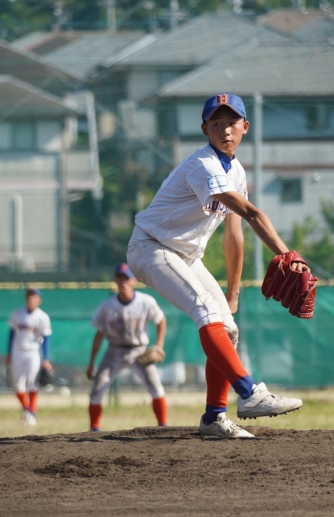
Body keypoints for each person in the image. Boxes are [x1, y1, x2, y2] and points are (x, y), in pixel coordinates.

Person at [127, 92, 305, 439]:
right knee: (205, 310)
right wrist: (287, 254)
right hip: (152, 247)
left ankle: (213, 418)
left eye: (232, 122)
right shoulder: (203, 165)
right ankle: (250, 393)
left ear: (245, 127)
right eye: (216, 123)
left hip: (185, 256)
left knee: (228, 329)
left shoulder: (236, 171)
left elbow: (234, 235)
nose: (225, 130)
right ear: (205, 129)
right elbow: (252, 214)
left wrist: (234, 290)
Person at [86, 263, 168, 431]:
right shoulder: (107, 306)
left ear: (134, 281)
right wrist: (91, 363)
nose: (123, 282)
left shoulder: (145, 301)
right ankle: (94, 430)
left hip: (139, 351)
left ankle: (163, 427)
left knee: (156, 387)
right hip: (114, 351)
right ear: (115, 280)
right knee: (97, 389)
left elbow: (161, 320)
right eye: (120, 278)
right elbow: (99, 335)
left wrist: (159, 345)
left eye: (127, 278)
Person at [6, 287, 53, 426]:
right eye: (29, 295)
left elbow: (47, 338)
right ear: (25, 298)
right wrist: (8, 352)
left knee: (32, 382)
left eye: (34, 296)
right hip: (17, 351)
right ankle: (27, 410)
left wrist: (46, 359)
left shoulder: (43, 317)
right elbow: (11, 334)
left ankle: (31, 413)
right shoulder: (17, 314)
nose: (31, 298)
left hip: (33, 352)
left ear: (39, 300)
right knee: (17, 384)